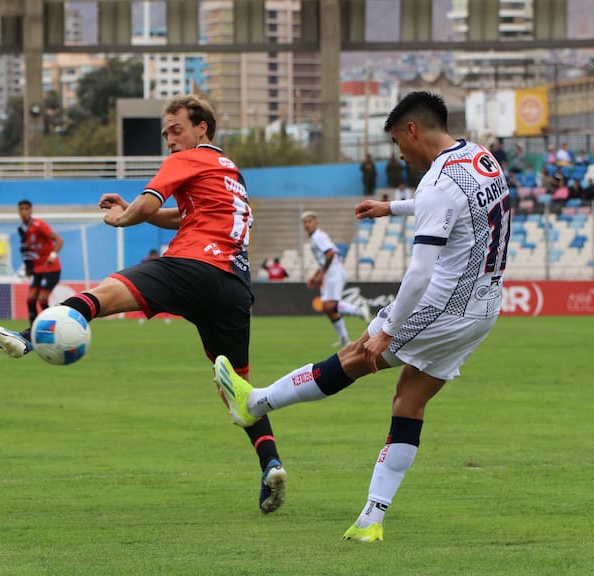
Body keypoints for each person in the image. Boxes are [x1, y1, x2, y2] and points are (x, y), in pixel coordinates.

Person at [214, 92, 511, 542]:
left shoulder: (436, 183)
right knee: (408, 402)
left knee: (356, 356)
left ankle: (254, 403)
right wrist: (390, 207)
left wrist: (388, 331)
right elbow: (451, 207)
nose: (400, 154)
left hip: (443, 304)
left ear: (412, 129)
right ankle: (371, 520)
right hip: (483, 309)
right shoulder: (479, 159)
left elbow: (420, 271)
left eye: (397, 142)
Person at [0, 94, 287, 514]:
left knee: (104, 294)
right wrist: (135, 208)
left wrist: (122, 216)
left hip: (192, 266)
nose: (170, 140)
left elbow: (151, 203)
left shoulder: (186, 159)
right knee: (237, 392)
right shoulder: (232, 173)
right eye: (165, 134)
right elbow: (182, 215)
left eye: (176, 130)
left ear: (201, 129)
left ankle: (28, 339)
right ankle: (272, 466)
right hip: (234, 287)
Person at [301, 211, 371, 347]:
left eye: (309, 221)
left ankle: (358, 309)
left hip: (333, 272)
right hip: (331, 272)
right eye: (304, 222)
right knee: (329, 309)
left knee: (329, 305)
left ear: (316, 222)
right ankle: (344, 339)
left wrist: (322, 273)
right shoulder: (316, 237)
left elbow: (330, 253)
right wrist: (316, 275)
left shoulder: (317, 237)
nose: (307, 225)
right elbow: (324, 258)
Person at [14, 199, 64, 331]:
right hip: (37, 270)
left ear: (31, 211)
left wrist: (52, 256)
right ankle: (33, 331)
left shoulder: (39, 225)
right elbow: (27, 251)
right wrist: (28, 267)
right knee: (30, 300)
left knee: (42, 300)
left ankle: (51, 328)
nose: (24, 212)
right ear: (18, 212)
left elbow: (59, 240)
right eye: (21, 209)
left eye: (26, 209)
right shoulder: (22, 230)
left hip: (51, 269)